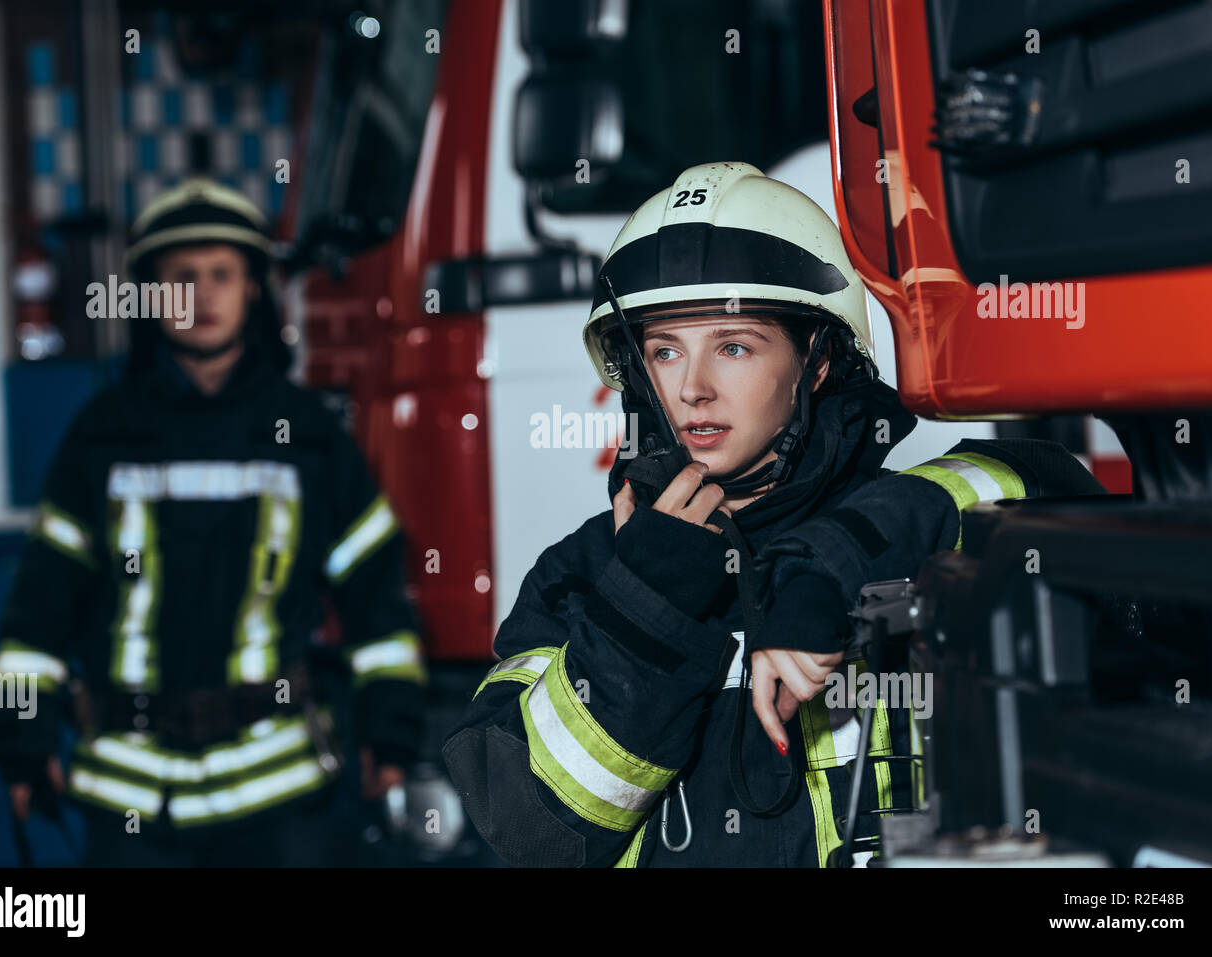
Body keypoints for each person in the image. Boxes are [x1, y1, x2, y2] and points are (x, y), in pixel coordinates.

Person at [442, 162, 1104, 867]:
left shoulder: (901, 526)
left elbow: (1059, 493)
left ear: (816, 361)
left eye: (733, 347)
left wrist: (834, 567)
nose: (693, 389)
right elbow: (525, 825)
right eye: (665, 350)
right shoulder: (581, 574)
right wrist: (649, 606)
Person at [0, 177, 428, 866]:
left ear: (254, 288)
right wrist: (22, 743)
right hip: (126, 793)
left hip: (280, 795)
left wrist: (390, 738)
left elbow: (378, 605)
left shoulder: (307, 435)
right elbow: (37, 611)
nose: (203, 294)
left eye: (223, 273)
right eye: (181, 276)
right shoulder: (102, 436)